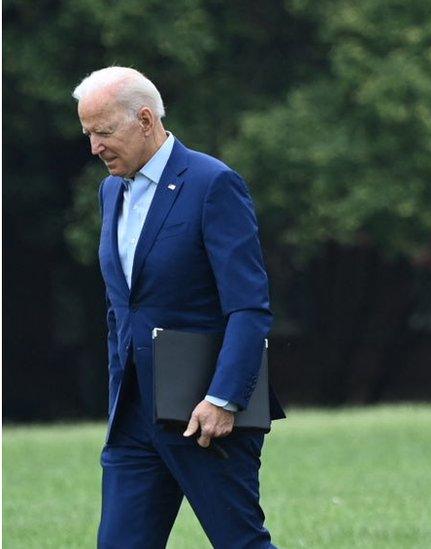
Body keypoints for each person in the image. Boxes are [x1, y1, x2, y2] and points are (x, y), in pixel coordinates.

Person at [74, 66, 284, 548]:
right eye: (88, 134)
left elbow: (249, 307)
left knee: (241, 543)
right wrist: (117, 393)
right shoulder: (111, 191)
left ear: (145, 120)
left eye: (104, 132)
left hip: (206, 418)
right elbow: (120, 308)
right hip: (133, 419)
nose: (95, 148)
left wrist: (224, 398)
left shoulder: (213, 183)